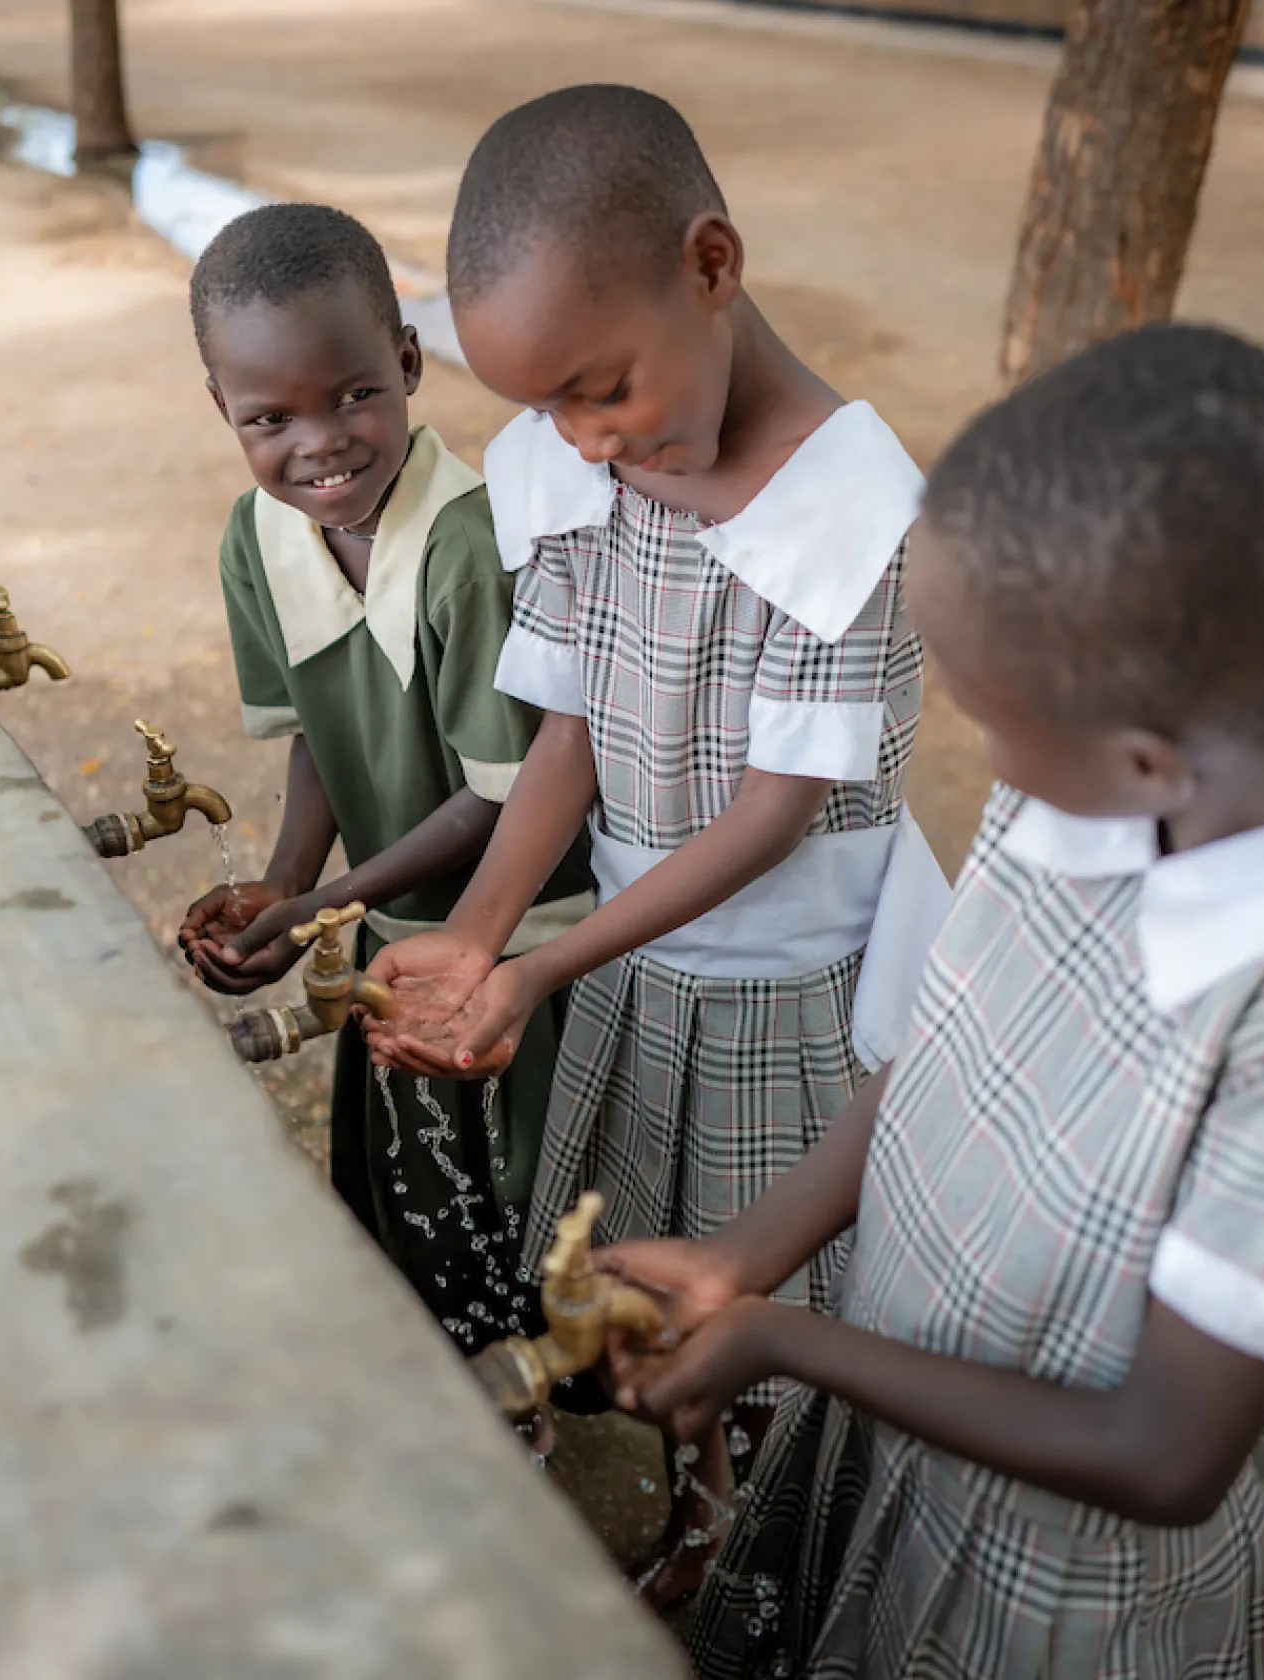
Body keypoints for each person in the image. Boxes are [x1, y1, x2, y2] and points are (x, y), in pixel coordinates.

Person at [601, 323, 1264, 1677]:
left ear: (1142, 763)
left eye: (994, 725)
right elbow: (947, 1048)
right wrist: (749, 1256)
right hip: (906, 1412)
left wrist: (796, 1343)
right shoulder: (1106, 754)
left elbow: (1166, 1452)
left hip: (1056, 1589)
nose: (991, 765)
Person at [361, 86, 949, 1603]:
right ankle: (703, 1513)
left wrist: (548, 958)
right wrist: (484, 934)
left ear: (710, 264)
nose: (583, 436)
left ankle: (784, 1542)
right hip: (638, 973)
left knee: (771, 1283)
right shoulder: (575, 476)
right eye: (546, 406)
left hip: (784, 993)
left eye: (599, 388)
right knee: (649, 1264)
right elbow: (566, 736)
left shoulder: (859, 520)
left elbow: (771, 817)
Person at [175, 202, 593, 1356]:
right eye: (270, 417)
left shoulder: (468, 546)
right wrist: (282, 883)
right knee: (422, 1210)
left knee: (526, 1205)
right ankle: (477, 1395)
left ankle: (541, 1407)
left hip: (514, 936)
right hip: (389, 921)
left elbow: (498, 793)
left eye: (354, 394)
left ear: (408, 363)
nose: (321, 442)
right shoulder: (257, 539)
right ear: (224, 411)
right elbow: (319, 727)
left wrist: (323, 905)